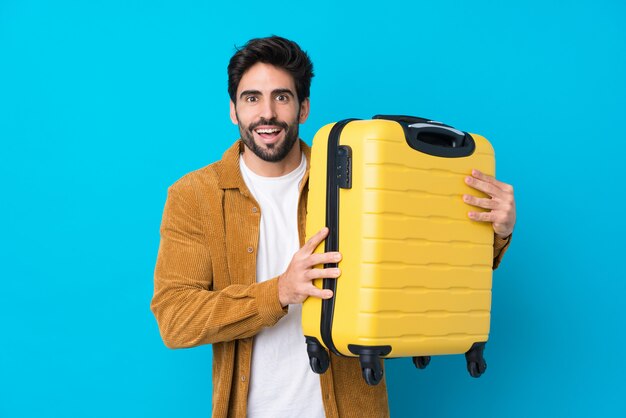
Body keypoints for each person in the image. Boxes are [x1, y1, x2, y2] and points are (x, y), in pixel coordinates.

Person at [150, 35, 516, 418]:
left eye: (282, 97)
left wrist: (498, 231)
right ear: (233, 110)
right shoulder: (195, 196)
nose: (267, 113)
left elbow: (424, 262)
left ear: (303, 107)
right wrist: (278, 291)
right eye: (252, 98)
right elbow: (175, 318)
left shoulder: (361, 177)